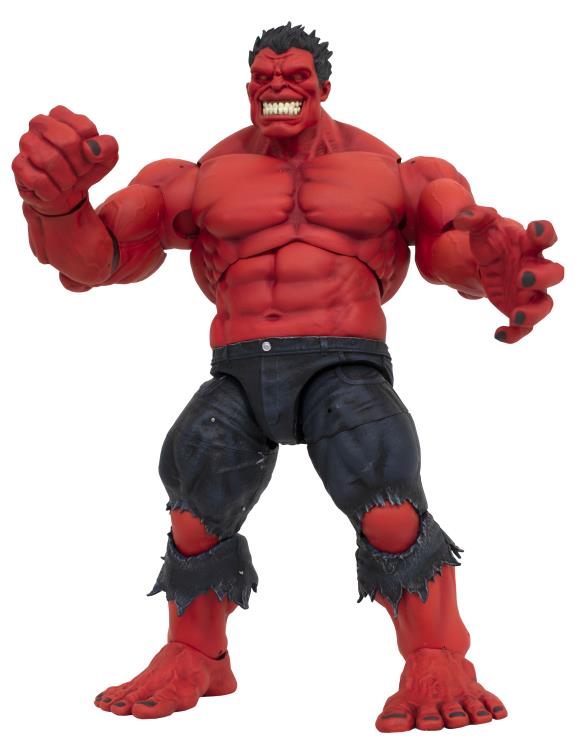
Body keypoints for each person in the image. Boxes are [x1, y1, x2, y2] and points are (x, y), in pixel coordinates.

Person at [12, 22, 563, 732]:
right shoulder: (196, 175)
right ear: (249, 87)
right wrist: (57, 207)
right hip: (240, 366)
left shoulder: (397, 171)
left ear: (323, 85)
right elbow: (98, 259)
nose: (277, 85)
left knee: (387, 498)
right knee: (194, 498)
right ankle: (195, 653)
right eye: (263, 77)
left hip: (344, 360)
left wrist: (492, 268)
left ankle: (437, 657)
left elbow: (450, 245)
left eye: (294, 75)